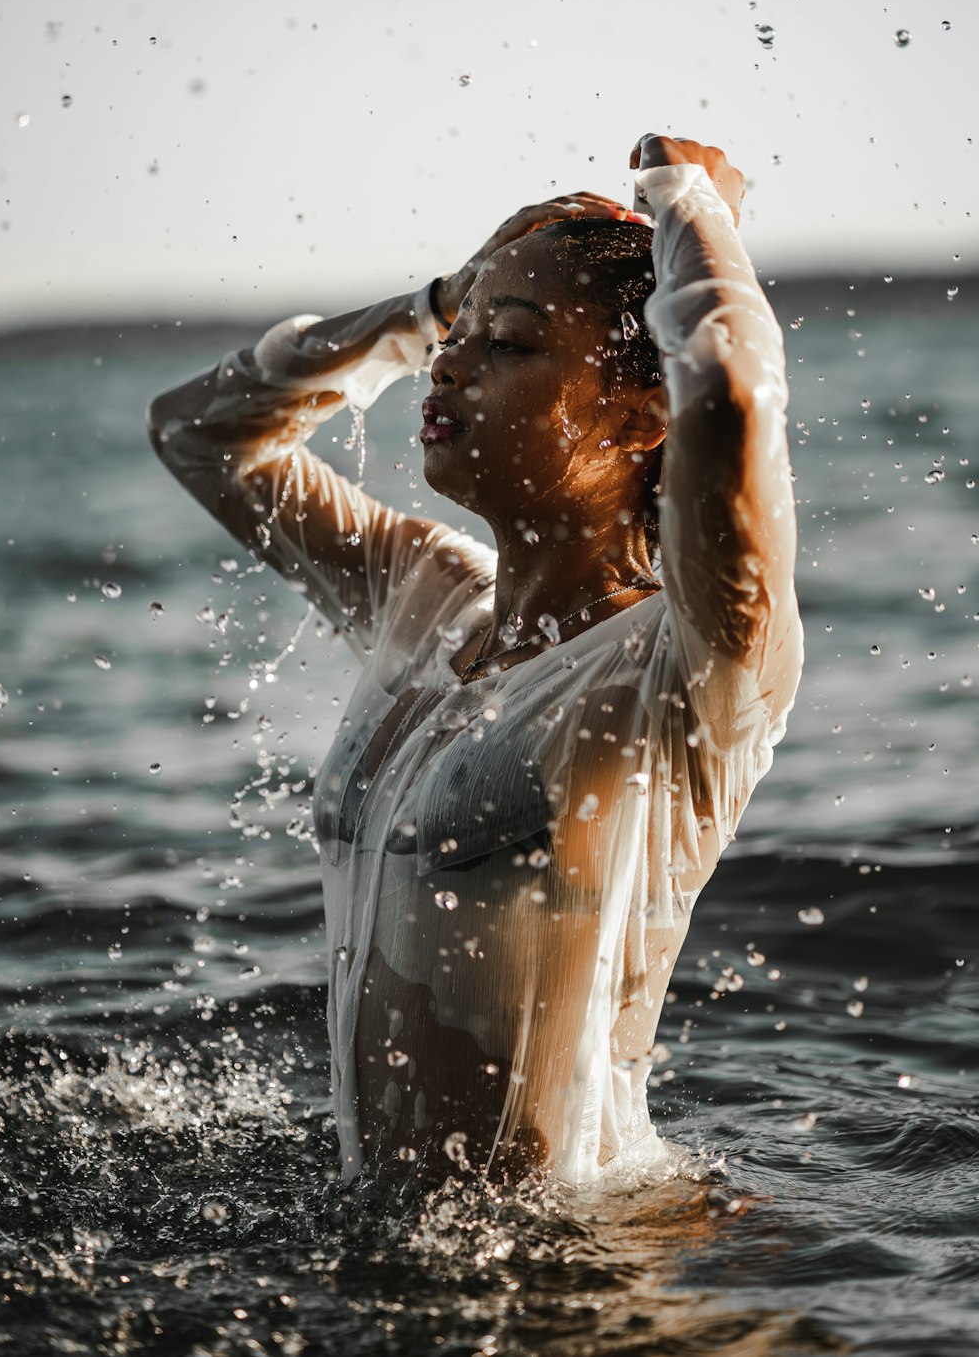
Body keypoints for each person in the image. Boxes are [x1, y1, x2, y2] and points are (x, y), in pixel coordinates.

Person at [147, 133, 802, 1186]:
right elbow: (198, 433)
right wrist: (423, 311)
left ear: (640, 412)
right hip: (390, 1243)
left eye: (506, 341)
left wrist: (691, 204)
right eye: (457, 336)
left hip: (589, 1269)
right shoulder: (430, 600)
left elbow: (726, 393)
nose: (451, 362)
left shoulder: (687, 662)